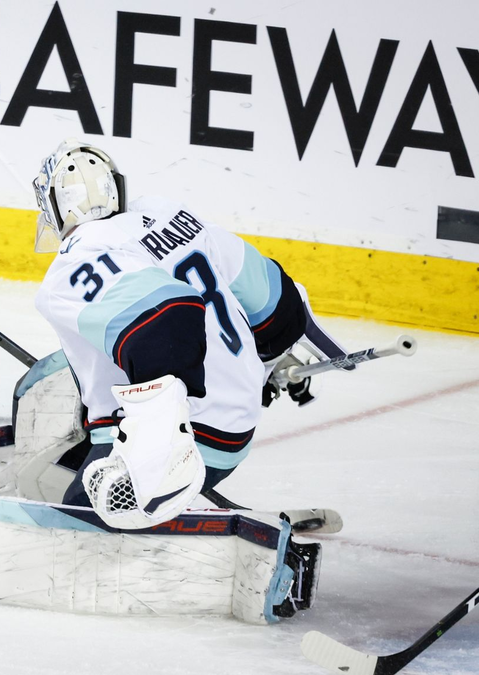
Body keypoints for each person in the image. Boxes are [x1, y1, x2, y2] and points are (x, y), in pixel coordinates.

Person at [29, 139, 345, 530]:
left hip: (188, 437)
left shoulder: (77, 260)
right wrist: (266, 364)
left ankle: (146, 509)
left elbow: (167, 323)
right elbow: (273, 300)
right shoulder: (167, 216)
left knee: (73, 532)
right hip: (236, 420)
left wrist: (155, 448)